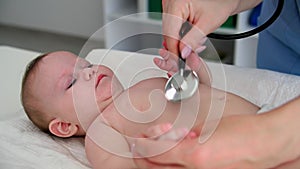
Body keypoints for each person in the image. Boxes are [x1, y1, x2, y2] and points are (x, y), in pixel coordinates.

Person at [21, 50, 261, 168]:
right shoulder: (102, 129)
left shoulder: (141, 85)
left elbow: (201, 92)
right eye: (71, 81)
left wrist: (192, 70)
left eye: (87, 64)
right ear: (64, 126)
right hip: (234, 151)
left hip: (268, 117)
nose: (89, 71)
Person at [133, 0, 300, 168]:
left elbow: (206, 100)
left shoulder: (131, 97)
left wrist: (196, 74)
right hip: (265, 127)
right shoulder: (114, 126)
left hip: (267, 130)